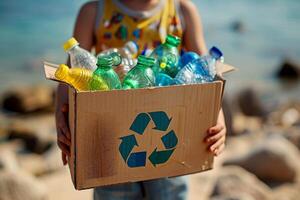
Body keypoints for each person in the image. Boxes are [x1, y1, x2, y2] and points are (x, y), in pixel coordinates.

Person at [55, 0, 227, 199]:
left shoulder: (182, 11)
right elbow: (68, 76)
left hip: (171, 135)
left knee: (170, 193)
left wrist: (218, 117)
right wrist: (63, 121)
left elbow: (207, 74)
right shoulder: (93, 12)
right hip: (109, 137)